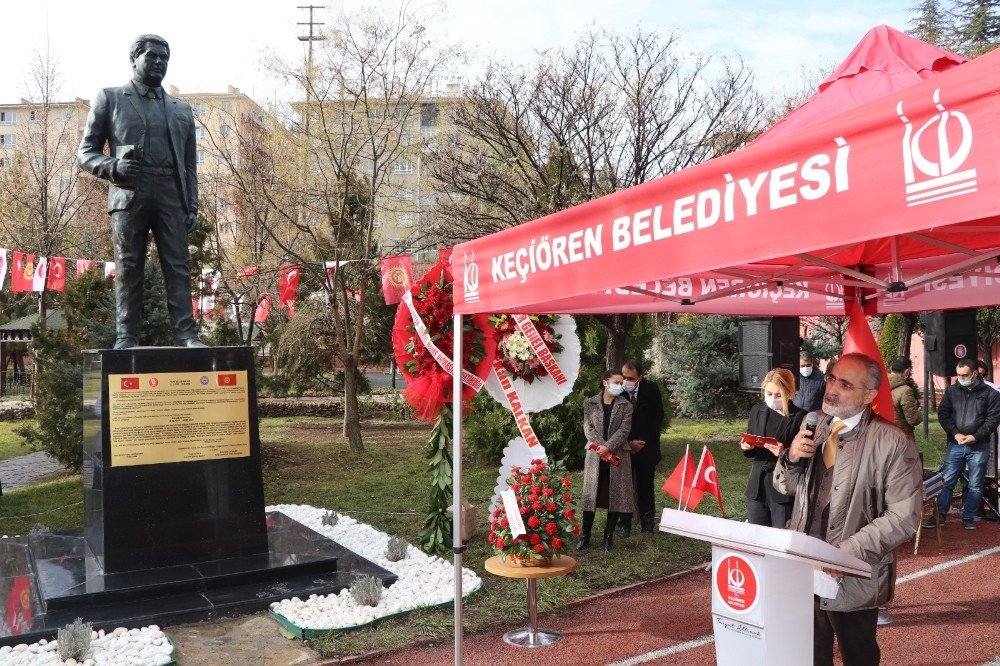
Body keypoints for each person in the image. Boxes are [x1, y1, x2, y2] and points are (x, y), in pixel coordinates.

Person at [775, 352, 922, 666]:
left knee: (858, 655)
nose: (832, 389)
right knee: (809, 654)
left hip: (853, 574)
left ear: (869, 395)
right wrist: (791, 458)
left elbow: (903, 516)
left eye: (845, 385)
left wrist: (847, 554)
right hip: (803, 566)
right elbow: (786, 487)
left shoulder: (894, 442)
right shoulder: (813, 423)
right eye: (831, 379)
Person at [78, 34, 205, 350]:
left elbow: (189, 166)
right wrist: (114, 167)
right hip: (129, 191)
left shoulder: (181, 109)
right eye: (152, 56)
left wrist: (191, 205)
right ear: (134, 59)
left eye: (165, 57)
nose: (160, 62)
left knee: (178, 266)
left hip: (171, 192)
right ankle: (126, 336)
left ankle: (186, 335)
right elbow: (85, 154)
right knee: (128, 266)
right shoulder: (110, 98)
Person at [928, 358, 1000, 530]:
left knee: (975, 484)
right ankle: (939, 517)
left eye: (964, 375)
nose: (960, 378)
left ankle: (969, 517)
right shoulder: (952, 391)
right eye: (958, 374)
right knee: (947, 481)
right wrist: (955, 433)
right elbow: (943, 414)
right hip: (956, 444)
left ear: (975, 373)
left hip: (979, 446)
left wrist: (975, 436)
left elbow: (993, 420)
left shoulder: (991, 394)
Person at [741, 368, 805, 528]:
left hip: (783, 489)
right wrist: (747, 447)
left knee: (780, 537)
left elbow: (805, 459)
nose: (773, 399)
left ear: (790, 393)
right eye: (769, 394)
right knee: (756, 536)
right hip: (757, 487)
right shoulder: (757, 411)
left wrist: (785, 453)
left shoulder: (800, 417)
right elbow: (751, 451)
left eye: (778, 395)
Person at [579, 369, 634, 551]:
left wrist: (608, 448)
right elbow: (588, 428)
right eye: (616, 382)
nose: (620, 386)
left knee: (615, 495)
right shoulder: (590, 403)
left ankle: (608, 537)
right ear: (605, 382)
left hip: (617, 456)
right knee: (590, 496)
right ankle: (585, 536)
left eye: (621, 383)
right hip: (595, 455)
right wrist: (601, 449)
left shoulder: (626, 406)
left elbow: (624, 431)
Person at [617, 358, 664, 537]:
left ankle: (648, 524)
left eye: (630, 378)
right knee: (624, 487)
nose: (626, 381)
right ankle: (624, 524)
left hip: (646, 447)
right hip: (624, 447)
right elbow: (615, 422)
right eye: (624, 377)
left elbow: (656, 419)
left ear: (640, 378)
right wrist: (628, 444)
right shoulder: (617, 390)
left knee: (646, 487)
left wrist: (640, 443)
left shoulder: (651, 390)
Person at [888, 356, 921, 441]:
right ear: (907, 371)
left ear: (891, 368)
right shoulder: (906, 391)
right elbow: (913, 420)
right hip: (901, 437)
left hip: (882, 435)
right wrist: (918, 412)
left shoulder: (880, 385)